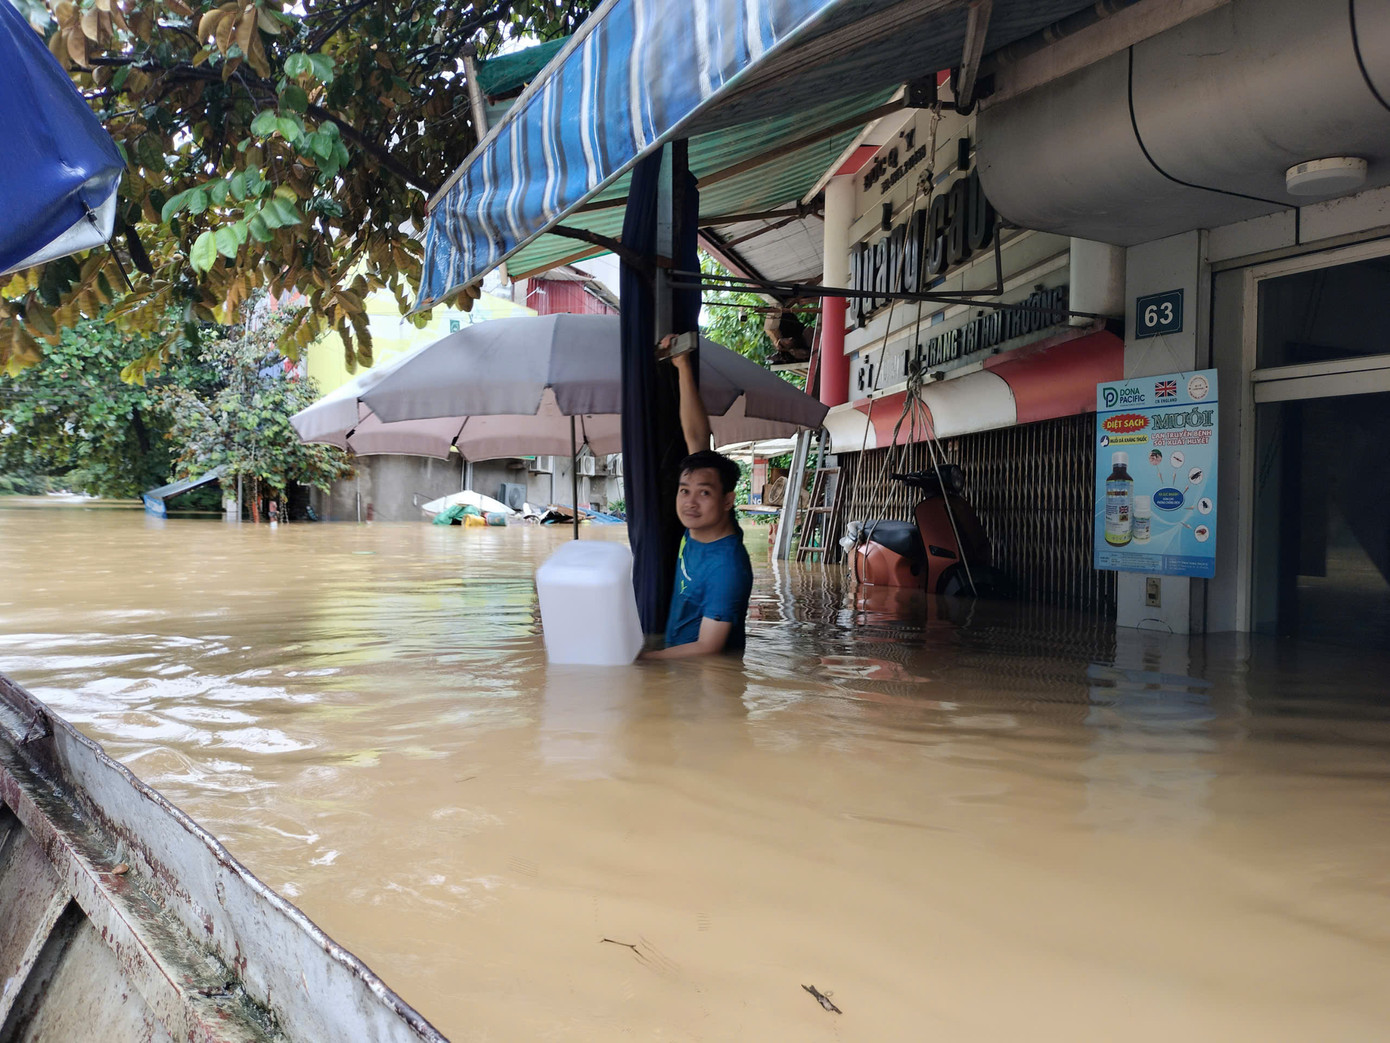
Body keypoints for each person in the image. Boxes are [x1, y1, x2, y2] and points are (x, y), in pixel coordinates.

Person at [640, 336, 754, 659]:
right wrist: (682, 366)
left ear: (728, 500)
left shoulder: (727, 566)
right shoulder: (701, 527)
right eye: (684, 491)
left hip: (703, 680)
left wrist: (644, 662)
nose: (690, 502)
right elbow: (696, 437)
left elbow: (708, 648)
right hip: (676, 662)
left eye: (704, 493)